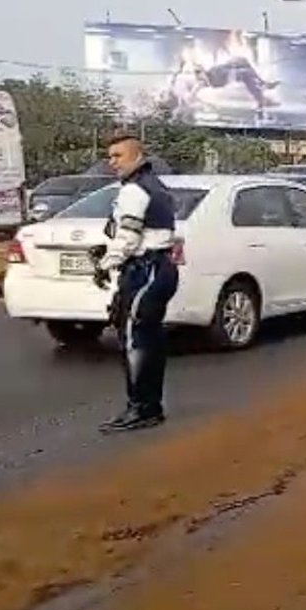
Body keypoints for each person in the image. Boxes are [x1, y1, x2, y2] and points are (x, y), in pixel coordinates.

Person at [92, 135, 180, 433]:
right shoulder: (154, 185)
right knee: (148, 338)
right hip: (159, 268)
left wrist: (106, 264)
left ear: (137, 156)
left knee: (135, 339)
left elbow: (128, 238)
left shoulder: (135, 190)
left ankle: (140, 409)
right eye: (110, 156)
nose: (112, 162)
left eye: (118, 155)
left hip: (147, 269)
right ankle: (149, 407)